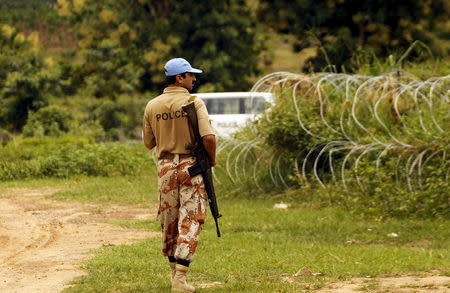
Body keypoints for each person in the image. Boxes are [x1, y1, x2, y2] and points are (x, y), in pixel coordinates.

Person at [143, 58, 216, 292]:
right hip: (191, 166)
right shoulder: (193, 102)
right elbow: (209, 138)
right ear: (179, 78)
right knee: (192, 218)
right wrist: (211, 160)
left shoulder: (152, 105)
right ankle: (181, 279)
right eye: (190, 75)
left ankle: (174, 272)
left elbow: (148, 143)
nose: (194, 78)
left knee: (169, 219)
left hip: (165, 168)